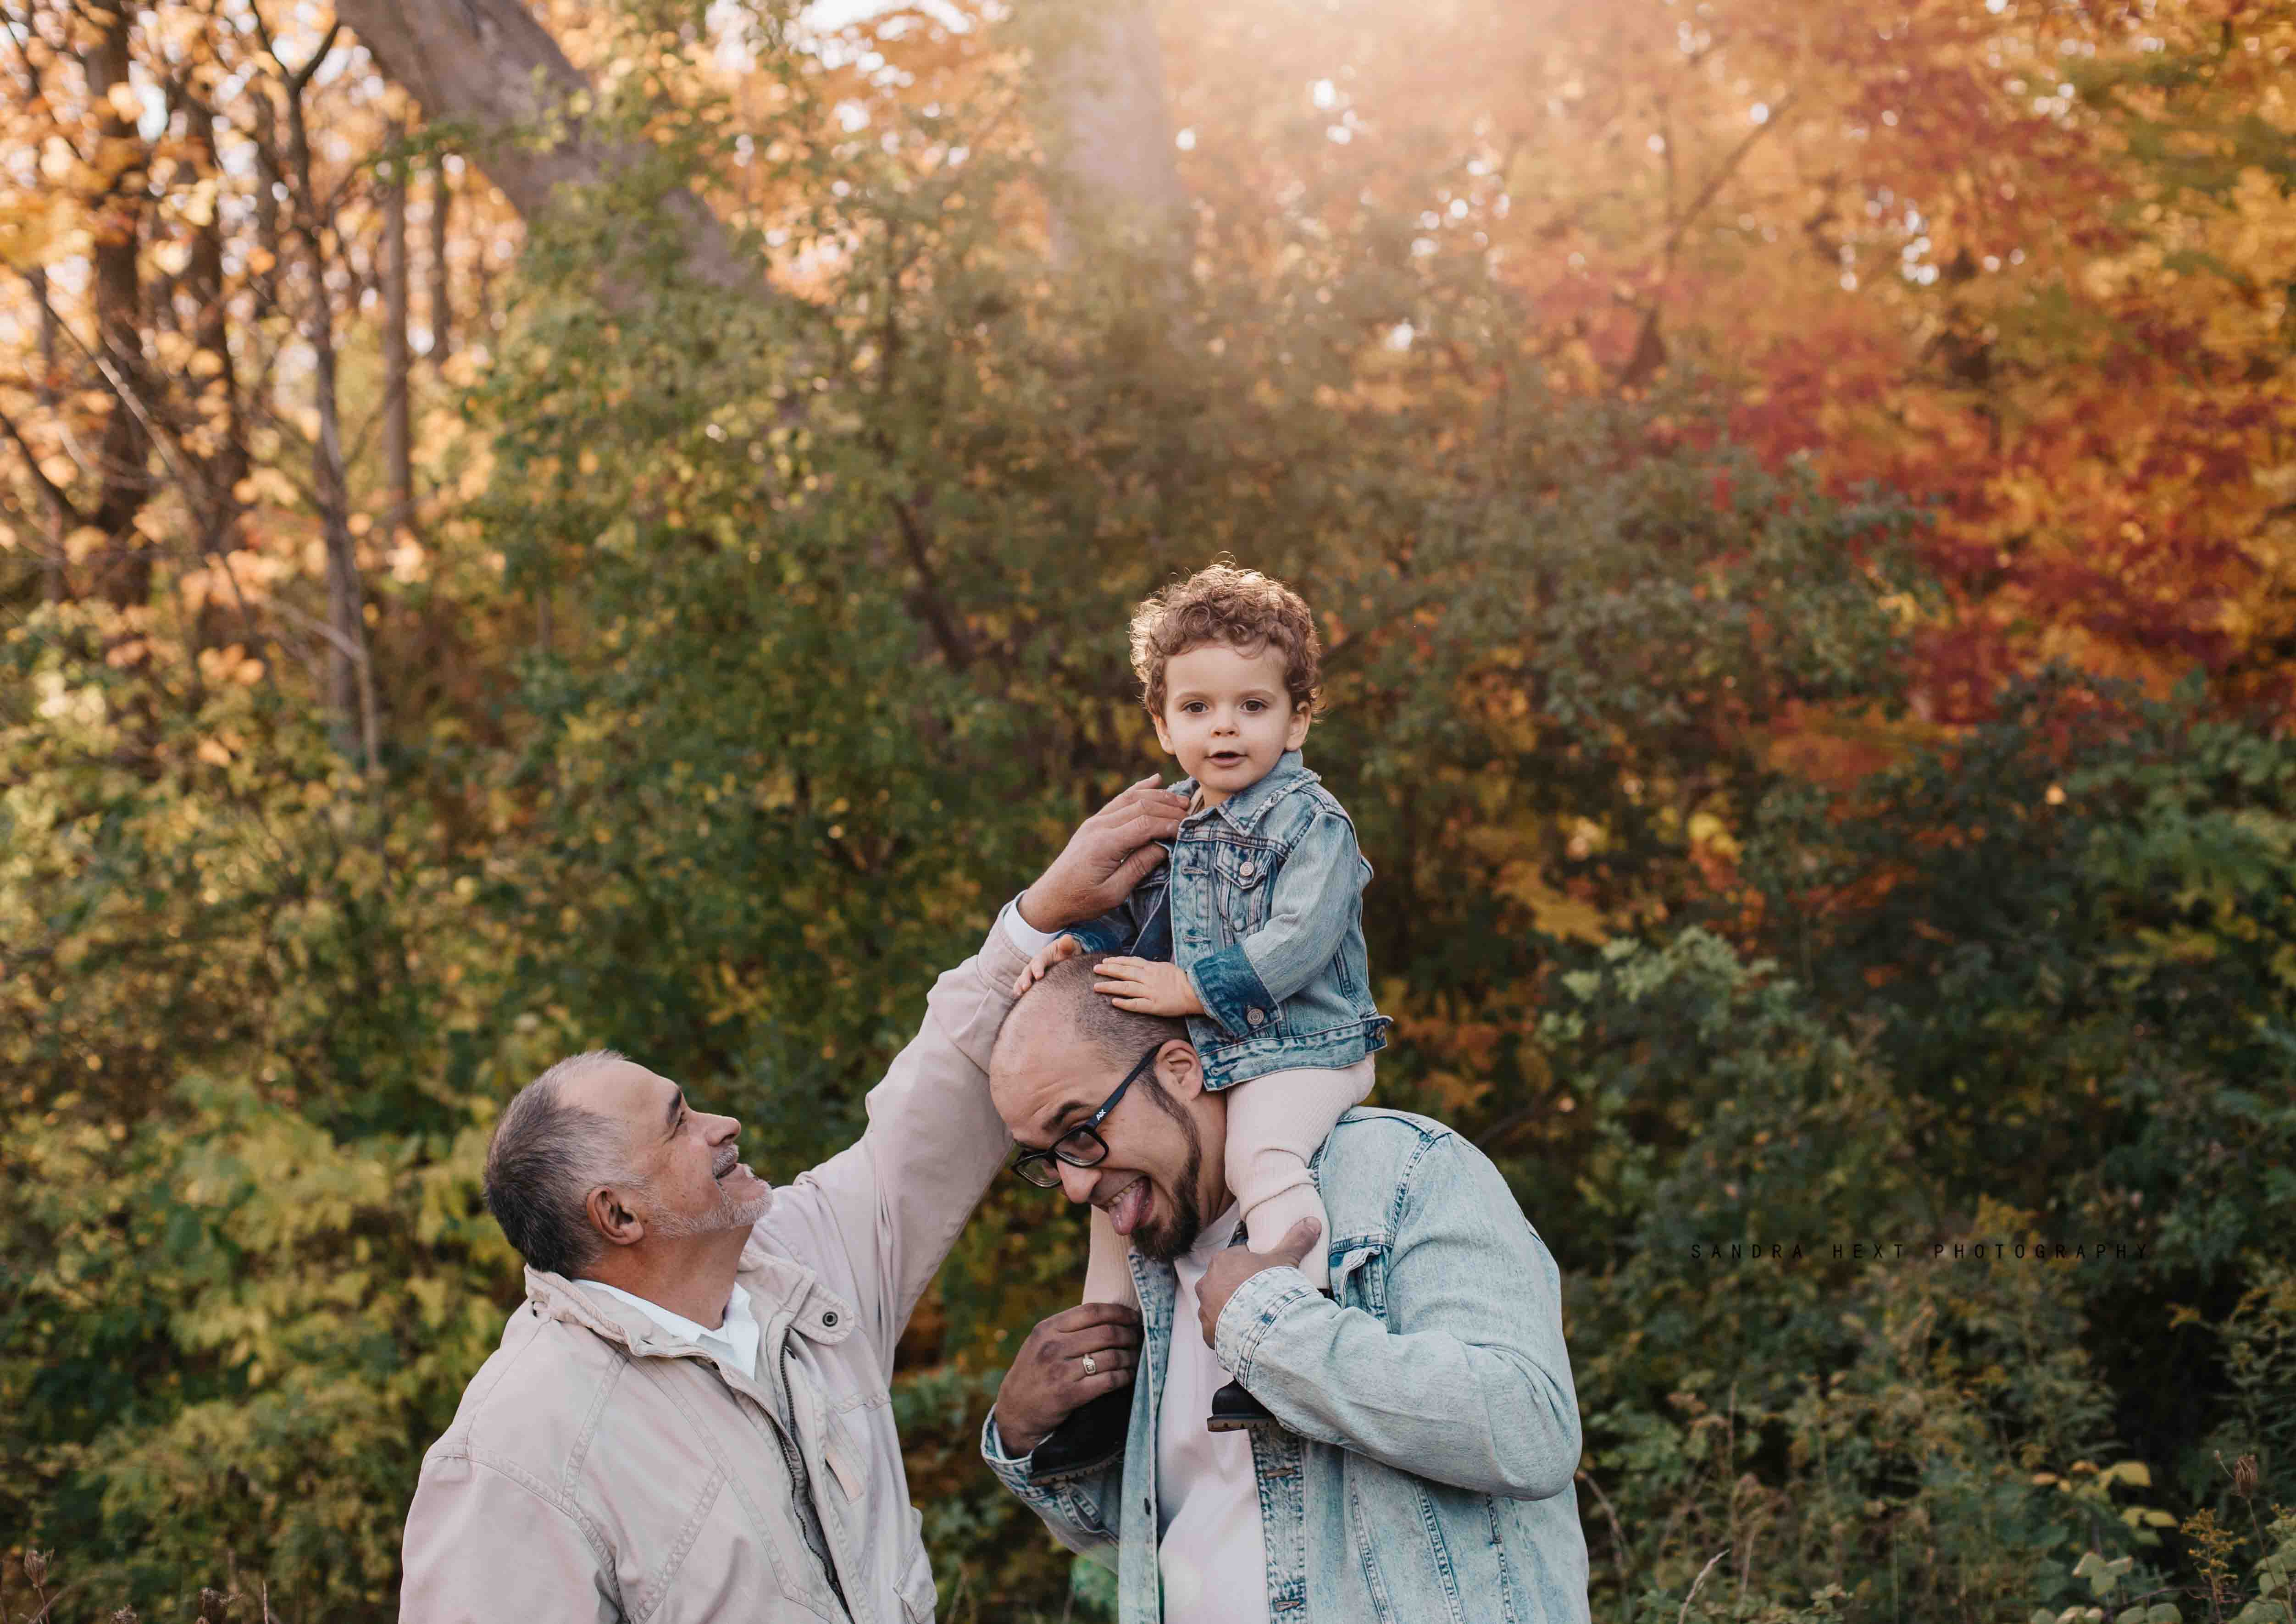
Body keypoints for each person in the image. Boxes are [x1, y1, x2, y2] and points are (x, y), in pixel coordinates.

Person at [396, 778, 1189, 1624]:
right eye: (680, 1125)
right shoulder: (519, 1448)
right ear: (618, 1215)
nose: (722, 1124)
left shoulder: (799, 1269)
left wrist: (1037, 916)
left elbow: (930, 1114)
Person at [979, 952, 1592, 1624]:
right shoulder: (1144, 1276)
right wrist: (1027, 1434)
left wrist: (1271, 1329)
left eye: (1080, 1131)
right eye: (1045, 1158)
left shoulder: (1401, 1170)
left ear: (1180, 1072)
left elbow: (1532, 1428)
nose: (1073, 1185)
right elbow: (1151, 1541)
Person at [1013, 563, 1389, 1451]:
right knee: (1117, 1208)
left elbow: (1302, 938)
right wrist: (1079, 943)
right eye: (1198, 708)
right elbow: (1143, 918)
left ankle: (1292, 1332)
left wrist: (1192, 988)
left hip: (1304, 1045)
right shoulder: (1173, 816)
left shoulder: (1310, 821)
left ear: (1297, 718)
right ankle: (1103, 1386)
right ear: (1162, 722)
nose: (1224, 727)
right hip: (1219, 1048)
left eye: (1252, 707)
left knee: (1262, 1153)